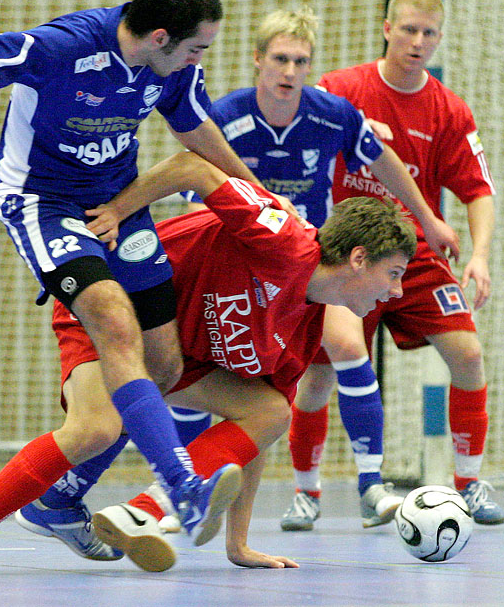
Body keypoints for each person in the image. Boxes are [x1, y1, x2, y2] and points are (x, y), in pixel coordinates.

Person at [0, 0, 277, 573]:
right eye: (198, 47)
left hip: (117, 203)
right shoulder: (64, 46)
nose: (202, 59)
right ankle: (184, 487)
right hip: (43, 204)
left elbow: (194, 129)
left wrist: (258, 195)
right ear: (159, 37)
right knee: (114, 323)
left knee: (164, 365)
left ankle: (57, 503)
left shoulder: (171, 69)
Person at [61, 151, 418, 571]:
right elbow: (189, 166)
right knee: (94, 430)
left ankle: (141, 507)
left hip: (169, 354)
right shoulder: (281, 236)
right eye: (394, 273)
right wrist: (117, 211)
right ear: (358, 259)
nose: (397, 292)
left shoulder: (304, 328)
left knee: (269, 410)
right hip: (106, 302)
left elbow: (259, 434)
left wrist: (239, 546)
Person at [176, 6, 459, 528]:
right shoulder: (227, 118)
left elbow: (383, 161)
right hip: (245, 267)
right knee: (203, 364)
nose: (289, 71)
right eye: (280, 59)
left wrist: (428, 217)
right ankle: (184, 485)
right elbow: (199, 194)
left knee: (349, 345)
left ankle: (371, 487)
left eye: (300, 61)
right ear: (258, 60)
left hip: (309, 261)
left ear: (310, 67)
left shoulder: (332, 115)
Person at [282, 0, 504, 532]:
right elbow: (303, 141)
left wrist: (478, 256)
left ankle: (469, 483)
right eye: (408, 29)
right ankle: (307, 492)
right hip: (348, 250)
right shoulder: (342, 90)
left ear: (439, 39)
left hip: (415, 252)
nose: (418, 41)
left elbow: (478, 190)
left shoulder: (449, 110)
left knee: (469, 355)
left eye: (429, 33)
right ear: (387, 29)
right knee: (322, 372)